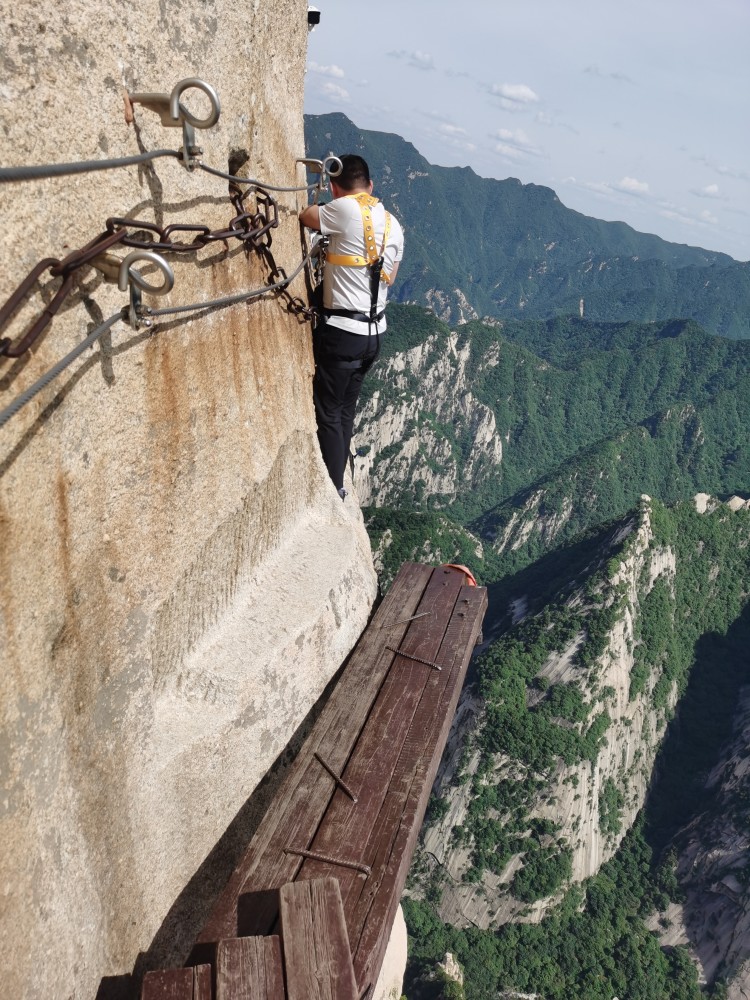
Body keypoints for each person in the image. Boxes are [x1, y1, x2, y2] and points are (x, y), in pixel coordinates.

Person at [299, 154, 404, 500]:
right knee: (345, 409)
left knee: (328, 411)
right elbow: (390, 276)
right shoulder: (393, 225)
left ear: (334, 186)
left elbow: (306, 216)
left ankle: (334, 490)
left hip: (342, 332)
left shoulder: (342, 209)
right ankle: (340, 481)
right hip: (375, 334)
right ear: (371, 186)